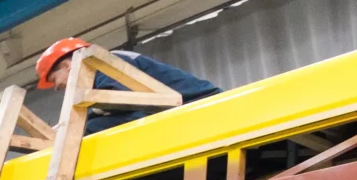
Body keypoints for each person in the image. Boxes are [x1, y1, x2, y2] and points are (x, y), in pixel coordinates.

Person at [36, 36, 221, 131]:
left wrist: (70, 127)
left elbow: (121, 101)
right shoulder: (99, 74)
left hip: (199, 105)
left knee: (89, 130)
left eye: (54, 79)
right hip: (178, 110)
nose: (57, 87)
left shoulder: (106, 63)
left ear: (68, 65)